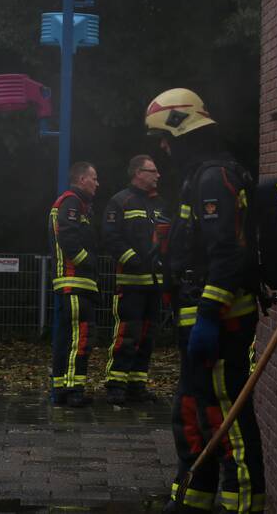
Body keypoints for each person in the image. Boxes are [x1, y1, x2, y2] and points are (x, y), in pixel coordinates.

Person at [145, 88, 265, 514]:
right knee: (192, 412)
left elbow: (228, 254)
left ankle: (243, 506)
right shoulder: (198, 177)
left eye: (164, 137)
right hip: (197, 318)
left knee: (226, 418)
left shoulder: (214, 177)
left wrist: (210, 316)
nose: (163, 147)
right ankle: (191, 500)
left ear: (182, 129)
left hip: (221, 322)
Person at [101, 154, 167, 405]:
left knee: (148, 337)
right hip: (130, 282)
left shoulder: (159, 204)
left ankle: (137, 385)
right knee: (127, 334)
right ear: (138, 173)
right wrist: (134, 260)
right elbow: (111, 237)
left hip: (154, 283)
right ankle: (116, 384)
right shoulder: (120, 201)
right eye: (153, 171)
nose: (158, 175)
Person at [47, 161, 100, 408]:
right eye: (94, 178)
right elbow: (68, 240)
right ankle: (73, 389)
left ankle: (62, 388)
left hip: (74, 283)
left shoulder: (77, 205)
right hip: (75, 282)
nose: (97, 183)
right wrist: (89, 262)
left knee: (68, 339)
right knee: (81, 338)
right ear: (81, 180)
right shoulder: (72, 203)